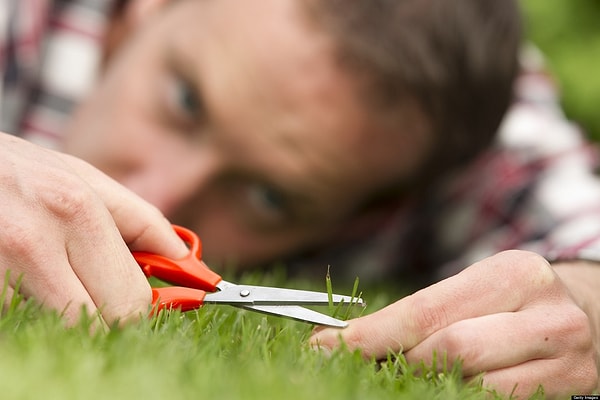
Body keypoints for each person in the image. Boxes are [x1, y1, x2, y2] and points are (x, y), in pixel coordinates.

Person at [1, 0, 598, 397]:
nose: (154, 193)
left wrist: (581, 311)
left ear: (372, 213)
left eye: (268, 196)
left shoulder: (448, 116)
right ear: (147, 9)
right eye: (186, 101)